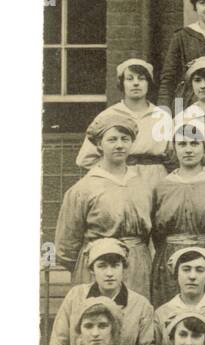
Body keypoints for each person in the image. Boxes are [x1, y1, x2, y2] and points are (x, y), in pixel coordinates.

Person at [55, 112, 155, 299]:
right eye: (112, 139)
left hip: (137, 268)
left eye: (125, 139)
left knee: (135, 318)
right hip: (97, 267)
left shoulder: (142, 184)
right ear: (99, 144)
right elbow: (66, 247)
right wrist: (92, 266)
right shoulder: (83, 189)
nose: (119, 145)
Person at [47, 237, 156, 345]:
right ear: (92, 270)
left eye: (115, 265)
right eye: (102, 266)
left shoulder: (141, 305)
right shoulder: (75, 297)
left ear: (124, 269)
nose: (109, 273)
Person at [149, 123, 205, 305]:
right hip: (167, 259)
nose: (188, 149)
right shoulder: (162, 186)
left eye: (194, 144)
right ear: (174, 149)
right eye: (182, 144)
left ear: (204, 147)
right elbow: (156, 233)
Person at [74, 60, 174, 187]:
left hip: (157, 181)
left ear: (148, 83)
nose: (136, 83)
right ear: (122, 84)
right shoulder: (108, 115)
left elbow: (174, 156)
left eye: (142, 79)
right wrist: (112, 174)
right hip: (121, 181)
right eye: (130, 79)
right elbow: (85, 159)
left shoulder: (162, 116)